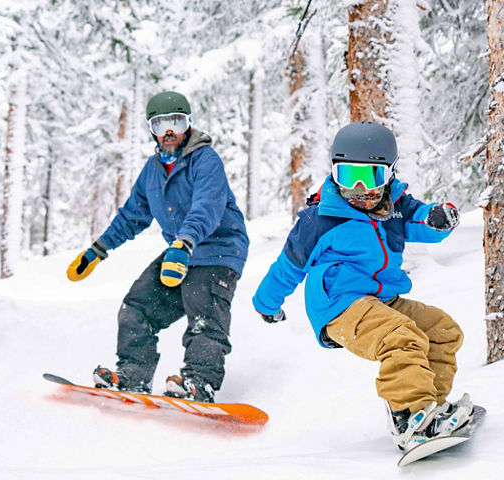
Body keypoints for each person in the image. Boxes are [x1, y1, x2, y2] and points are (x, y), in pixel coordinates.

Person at [252, 121, 472, 449]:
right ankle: (409, 415)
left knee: (442, 330)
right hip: (338, 305)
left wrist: (441, 218)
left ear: (389, 175)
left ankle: (429, 409)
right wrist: (266, 305)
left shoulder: (395, 208)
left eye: (370, 176)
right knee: (402, 337)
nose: (358, 188)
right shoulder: (320, 219)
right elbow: (288, 267)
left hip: (380, 299)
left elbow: (423, 221)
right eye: (346, 176)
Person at [66, 91, 249, 403]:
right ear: (151, 128)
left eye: (176, 122)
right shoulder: (153, 170)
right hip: (181, 253)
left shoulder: (206, 160)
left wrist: (185, 242)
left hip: (217, 250)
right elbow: (131, 216)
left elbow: (206, 206)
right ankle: (133, 376)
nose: (169, 131)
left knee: (203, 312)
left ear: (188, 125)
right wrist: (98, 249)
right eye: (160, 123)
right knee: (137, 307)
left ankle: (199, 383)